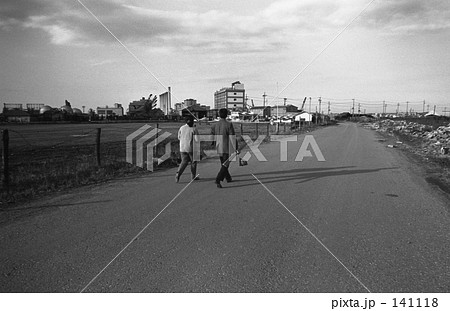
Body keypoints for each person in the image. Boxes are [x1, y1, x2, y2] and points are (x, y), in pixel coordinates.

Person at [211, 108, 238, 188]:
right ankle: (218, 179)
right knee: (225, 164)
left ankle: (228, 177)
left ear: (219, 115)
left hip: (218, 145)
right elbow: (232, 137)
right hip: (226, 146)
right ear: (226, 115)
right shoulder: (228, 124)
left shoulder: (215, 124)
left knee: (223, 163)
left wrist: (213, 142)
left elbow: (212, 134)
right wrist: (235, 147)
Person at [175, 115, 199, 183]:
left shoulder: (181, 128)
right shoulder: (194, 129)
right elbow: (197, 140)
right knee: (193, 162)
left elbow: (179, 137)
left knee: (184, 162)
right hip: (191, 148)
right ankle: (193, 177)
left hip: (182, 147)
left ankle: (178, 174)